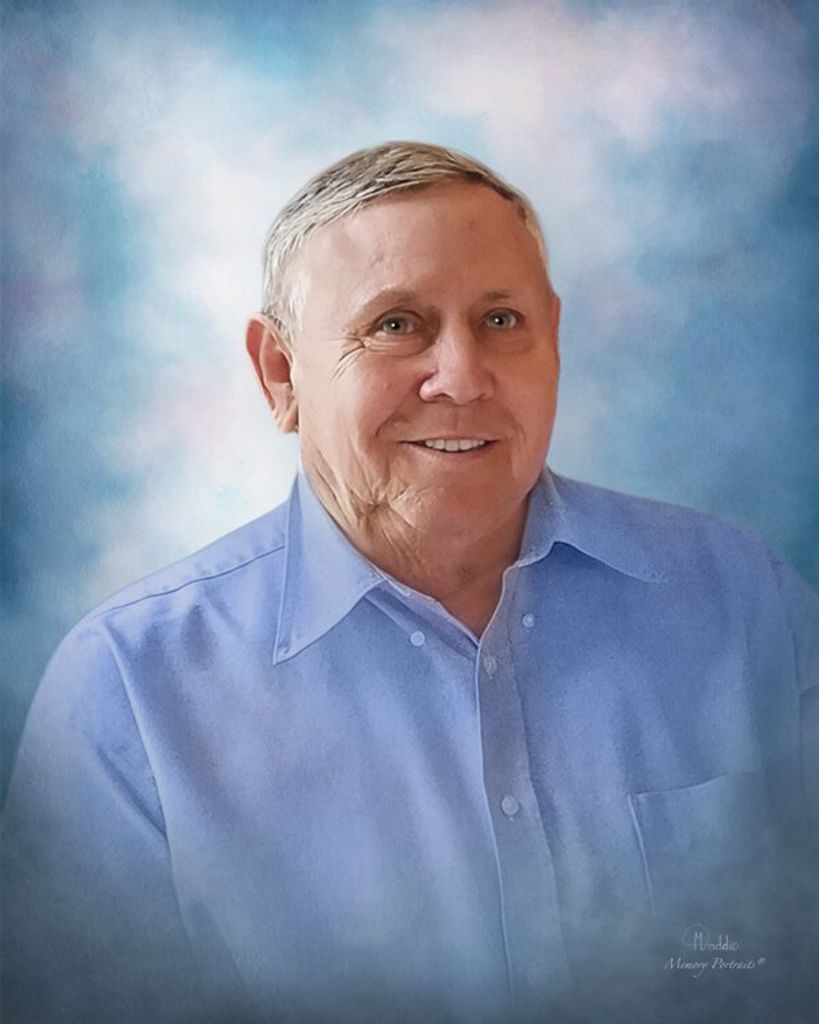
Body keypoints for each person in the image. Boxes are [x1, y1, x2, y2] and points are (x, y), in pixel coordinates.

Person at [3, 141, 817, 1024]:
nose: (462, 378)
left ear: (551, 337)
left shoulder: (741, 600)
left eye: (500, 319)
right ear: (280, 373)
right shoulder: (128, 688)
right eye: (395, 325)